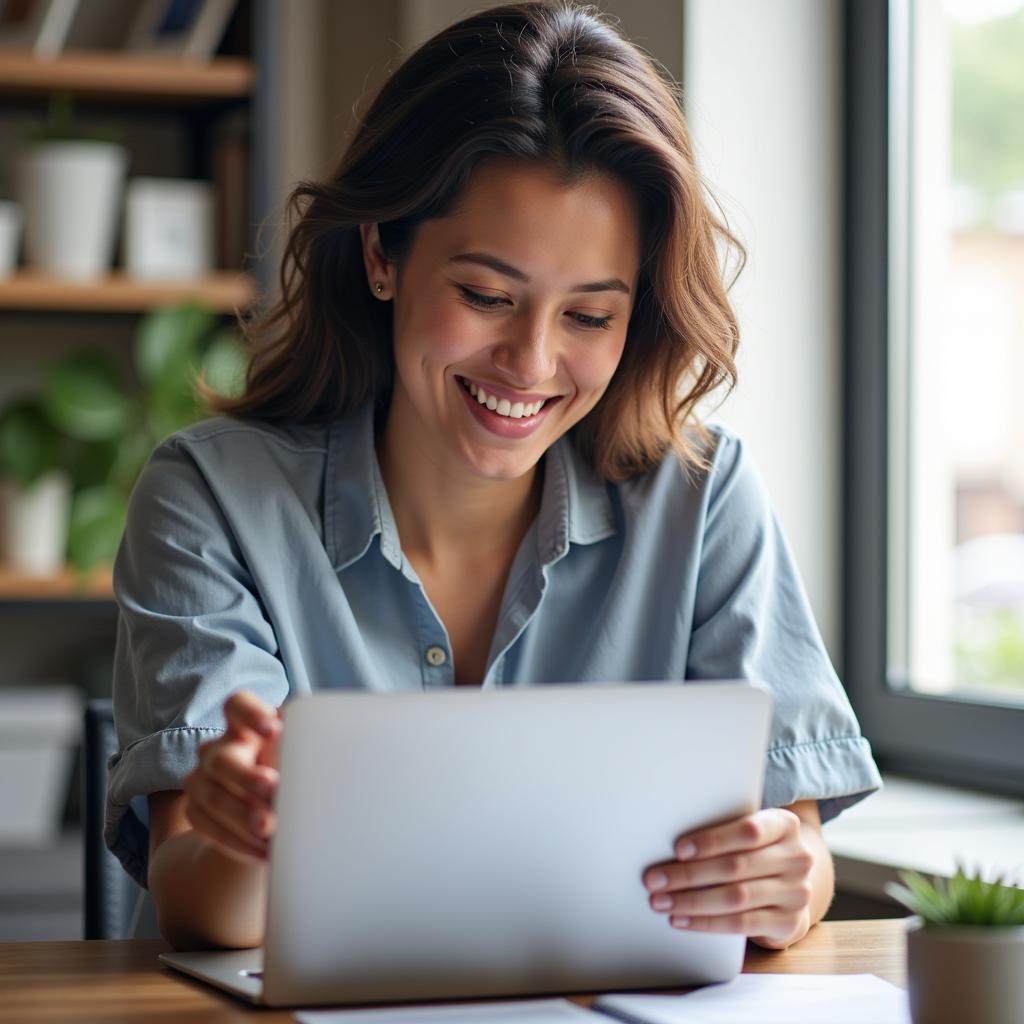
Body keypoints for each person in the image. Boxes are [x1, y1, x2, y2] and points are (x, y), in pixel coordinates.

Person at [105, 0, 882, 955]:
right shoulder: (211, 501)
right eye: (485, 296)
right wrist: (249, 842)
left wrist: (791, 880)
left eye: (590, 316)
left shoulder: (704, 498)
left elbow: (794, 843)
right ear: (383, 251)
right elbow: (203, 904)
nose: (530, 361)